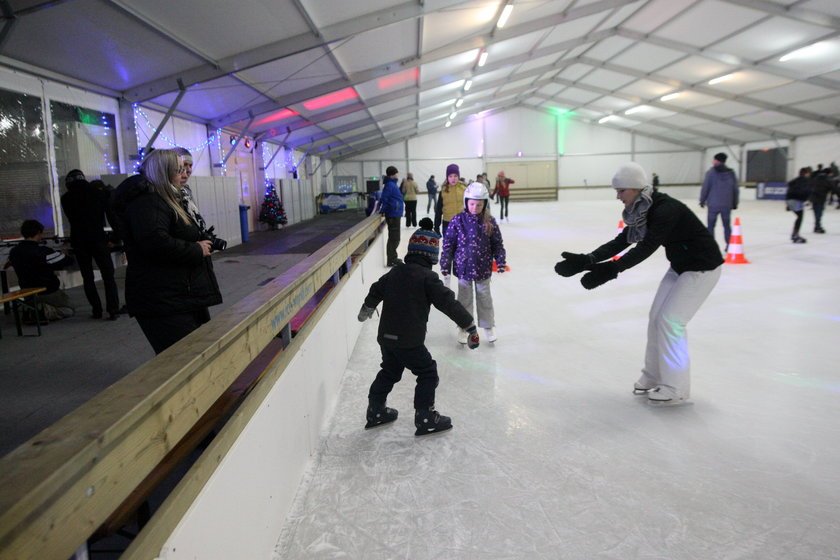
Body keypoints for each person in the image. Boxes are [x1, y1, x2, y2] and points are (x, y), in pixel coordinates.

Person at [554, 162, 723, 405]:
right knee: (656, 318)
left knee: (671, 321)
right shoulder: (643, 208)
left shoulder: (665, 210)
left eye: (621, 191)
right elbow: (623, 240)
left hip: (702, 268)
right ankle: (653, 376)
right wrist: (587, 260)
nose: (618, 196)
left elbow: (646, 247)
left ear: (635, 188)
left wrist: (613, 268)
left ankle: (676, 387)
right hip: (680, 267)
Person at [358, 217, 479, 436]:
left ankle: (375, 410)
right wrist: (469, 325)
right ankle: (425, 417)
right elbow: (449, 304)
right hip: (409, 341)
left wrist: (367, 307)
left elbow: (376, 289)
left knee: (389, 371)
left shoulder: (395, 272)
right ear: (432, 256)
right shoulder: (427, 278)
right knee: (427, 372)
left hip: (386, 337)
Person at [113, 149, 222, 354]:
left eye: (185, 169)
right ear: (162, 172)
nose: (185, 174)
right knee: (182, 360)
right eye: (178, 170)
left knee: (198, 355)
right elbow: (154, 242)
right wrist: (195, 249)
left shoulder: (170, 199)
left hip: (179, 295)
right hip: (162, 299)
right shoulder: (149, 202)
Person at [439, 182, 506, 344]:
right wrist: (445, 264)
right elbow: (448, 245)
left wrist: (500, 261)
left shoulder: (489, 221)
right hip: (463, 268)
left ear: (484, 204)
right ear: (466, 202)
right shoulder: (457, 221)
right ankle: (464, 327)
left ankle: (488, 326)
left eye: (479, 204)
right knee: (464, 300)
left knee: (485, 298)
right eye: (472, 204)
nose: (475, 207)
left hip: (483, 268)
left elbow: (497, 244)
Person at [60, 169, 121, 320]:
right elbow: (111, 217)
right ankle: (113, 309)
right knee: (108, 275)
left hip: (79, 241)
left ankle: (97, 310)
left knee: (87, 277)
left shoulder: (66, 198)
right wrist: (116, 237)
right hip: (99, 239)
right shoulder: (99, 194)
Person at [8, 219, 76, 320]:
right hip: (48, 291)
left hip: (28, 292)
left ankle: (32, 309)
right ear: (39, 233)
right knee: (69, 309)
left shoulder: (14, 252)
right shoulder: (43, 251)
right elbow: (68, 261)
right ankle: (45, 312)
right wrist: (63, 252)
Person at [699, 153, 739, 249]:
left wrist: (702, 200)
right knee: (726, 225)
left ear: (717, 160)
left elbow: (706, 188)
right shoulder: (731, 173)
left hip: (713, 204)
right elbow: (735, 189)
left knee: (711, 226)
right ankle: (729, 244)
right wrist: (734, 203)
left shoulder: (711, 173)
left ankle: (711, 246)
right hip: (726, 204)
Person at [379, 166, 404, 267]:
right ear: (392, 174)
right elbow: (385, 198)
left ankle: (393, 257)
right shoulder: (390, 185)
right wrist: (383, 210)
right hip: (393, 214)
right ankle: (391, 259)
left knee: (395, 238)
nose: (398, 175)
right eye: (396, 173)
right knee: (394, 238)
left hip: (395, 213)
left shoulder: (392, 184)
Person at [434, 163, 468, 237]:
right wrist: (436, 227)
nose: (453, 178)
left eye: (455, 176)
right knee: (449, 247)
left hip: (462, 223)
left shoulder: (464, 189)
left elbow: (470, 207)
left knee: (462, 247)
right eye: (450, 176)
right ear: (447, 177)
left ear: (458, 177)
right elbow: (438, 210)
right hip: (448, 223)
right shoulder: (443, 191)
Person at [809, 167, 839, 234]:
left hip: (813, 197)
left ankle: (817, 226)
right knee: (819, 213)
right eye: (831, 173)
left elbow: (810, 185)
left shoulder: (816, 178)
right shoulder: (828, 180)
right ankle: (817, 227)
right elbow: (835, 189)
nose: (831, 174)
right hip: (821, 198)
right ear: (828, 173)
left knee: (816, 212)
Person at [785, 167, 812, 243]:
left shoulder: (796, 180)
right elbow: (806, 191)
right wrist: (806, 199)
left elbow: (790, 187)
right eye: (808, 173)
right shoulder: (805, 180)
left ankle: (795, 234)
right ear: (806, 173)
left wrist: (787, 204)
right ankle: (795, 235)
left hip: (790, 199)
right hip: (796, 200)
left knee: (799, 217)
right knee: (800, 217)